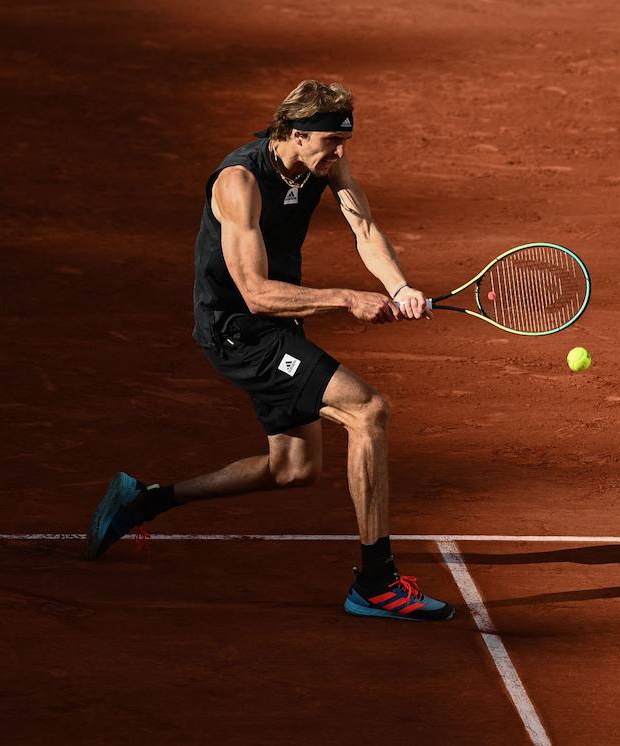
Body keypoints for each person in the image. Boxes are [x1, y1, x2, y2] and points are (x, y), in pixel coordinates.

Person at [86, 80, 453, 622]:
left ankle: (144, 500)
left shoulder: (323, 166)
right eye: (331, 141)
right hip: (240, 330)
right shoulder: (239, 182)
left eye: (344, 141)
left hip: (279, 327)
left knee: (293, 468)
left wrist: (398, 287)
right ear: (295, 133)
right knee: (368, 410)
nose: (341, 153)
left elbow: (365, 226)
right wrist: (347, 298)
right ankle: (375, 582)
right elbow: (256, 292)